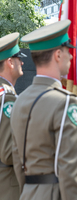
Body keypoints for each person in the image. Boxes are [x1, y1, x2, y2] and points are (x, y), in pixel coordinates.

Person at [11, 20, 77, 200]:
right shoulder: (66, 103)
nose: (72, 57)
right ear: (58, 55)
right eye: (69, 51)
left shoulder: (19, 101)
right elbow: (69, 173)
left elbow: (17, 161)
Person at [0, 32, 26, 200]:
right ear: (10, 62)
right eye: (18, 58)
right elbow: (8, 153)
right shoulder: (7, 96)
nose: (22, 62)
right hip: (7, 187)